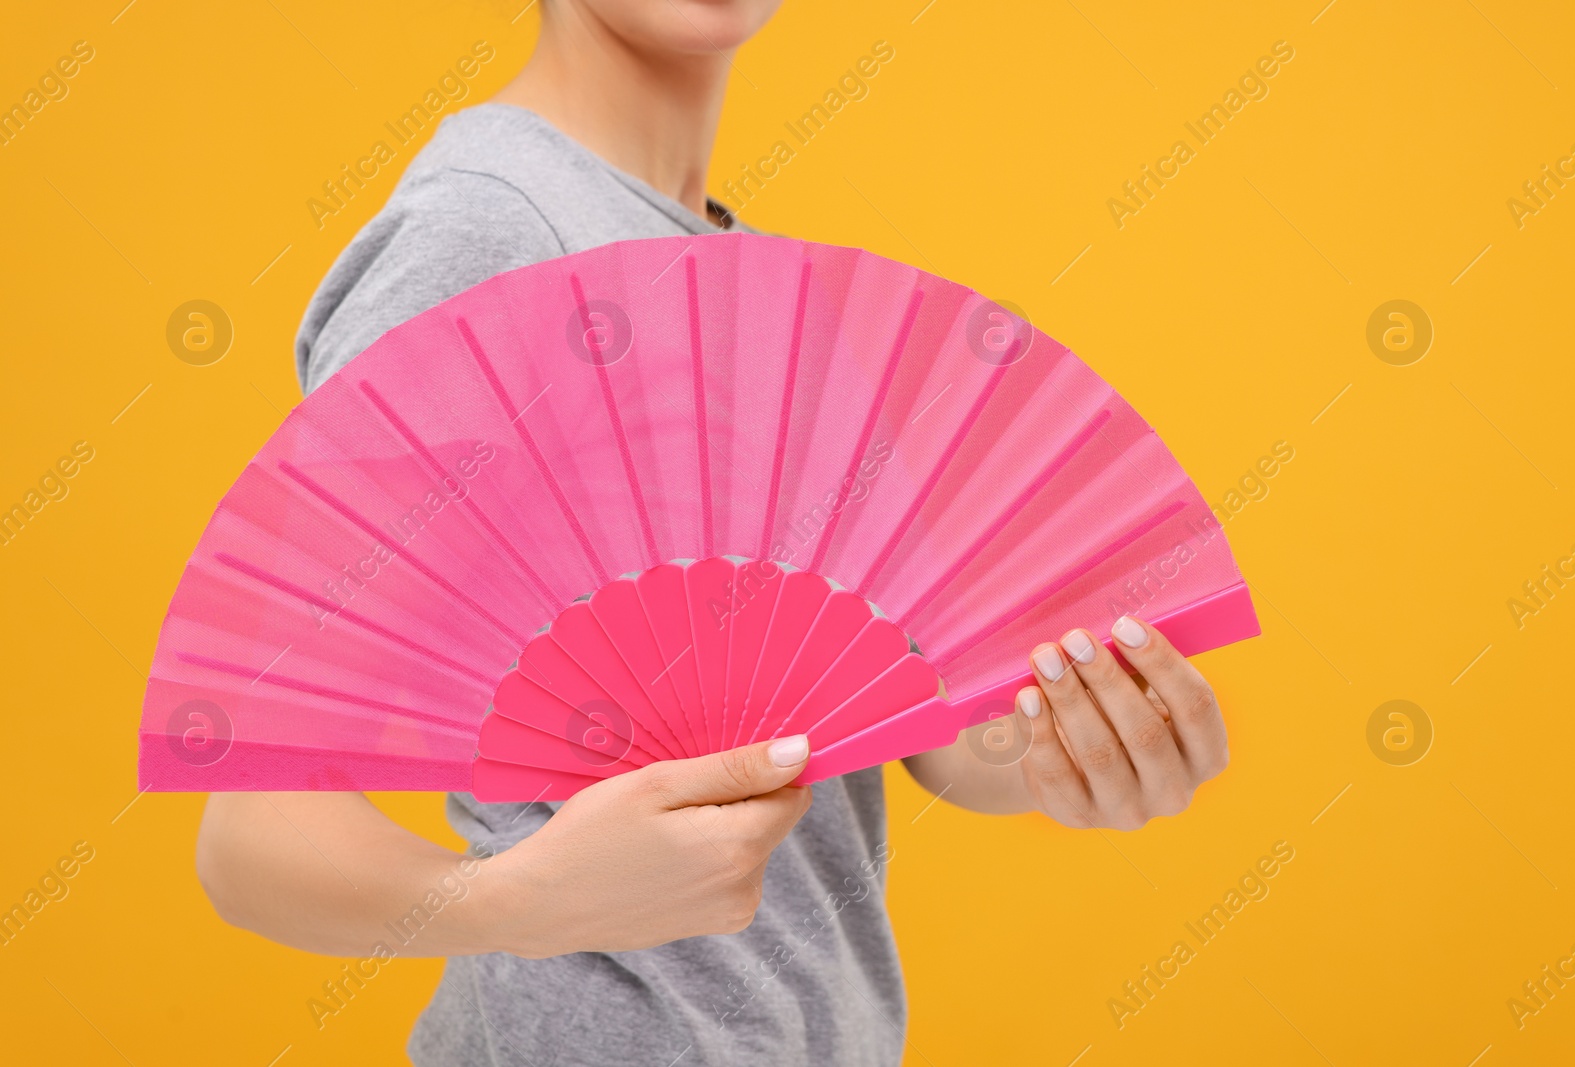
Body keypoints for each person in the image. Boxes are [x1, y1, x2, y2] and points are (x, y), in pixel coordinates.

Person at [196, 1, 1230, 1063]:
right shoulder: (489, 226)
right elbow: (250, 829)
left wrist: (1078, 747)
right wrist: (525, 900)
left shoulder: (774, 291)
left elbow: (923, 733)